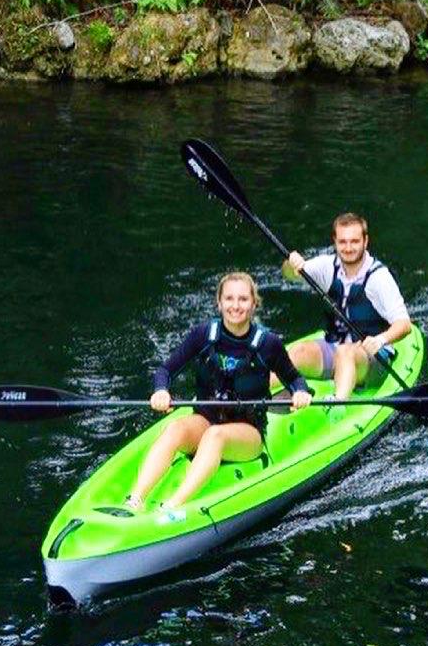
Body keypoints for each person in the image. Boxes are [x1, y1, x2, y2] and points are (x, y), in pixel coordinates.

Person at [126, 272, 311, 515]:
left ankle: (172, 506)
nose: (236, 306)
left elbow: (295, 379)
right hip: (206, 419)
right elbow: (165, 370)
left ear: (254, 303)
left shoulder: (269, 344)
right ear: (219, 302)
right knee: (175, 428)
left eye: (243, 299)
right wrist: (161, 390)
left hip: (248, 432)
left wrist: (300, 393)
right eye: (230, 299)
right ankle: (135, 500)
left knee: (216, 436)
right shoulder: (202, 335)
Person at [279, 213, 411, 400]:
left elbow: (404, 325)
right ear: (335, 241)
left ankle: (338, 405)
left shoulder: (379, 278)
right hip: (335, 346)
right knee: (295, 354)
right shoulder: (328, 266)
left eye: (354, 241)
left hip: (374, 357)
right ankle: (248, 400)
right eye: (343, 242)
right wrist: (291, 265)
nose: (348, 248)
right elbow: (291, 275)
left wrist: (380, 339)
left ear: (366, 241)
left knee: (346, 353)